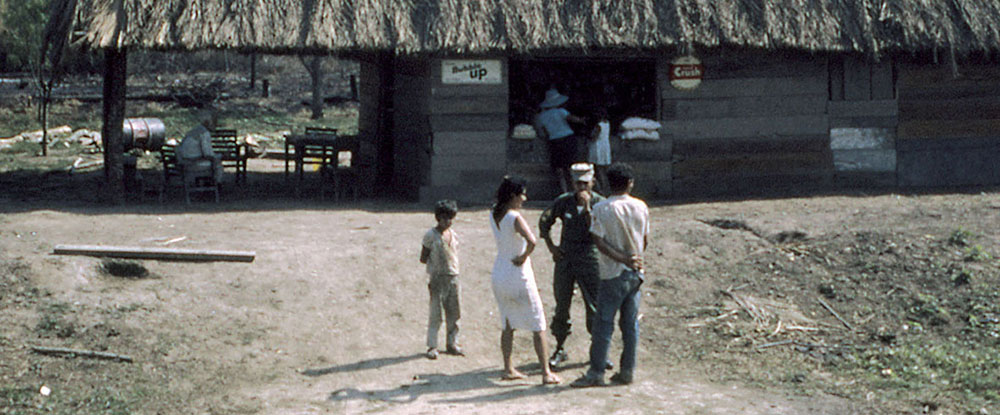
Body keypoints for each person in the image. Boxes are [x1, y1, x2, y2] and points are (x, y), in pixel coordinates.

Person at [571, 162, 649, 388]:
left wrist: (621, 258)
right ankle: (627, 371)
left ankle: (596, 372)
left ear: (606, 183)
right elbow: (644, 239)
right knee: (630, 324)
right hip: (635, 272)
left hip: (612, 272)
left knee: (603, 323)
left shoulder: (602, 208)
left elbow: (599, 241)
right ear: (630, 184)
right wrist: (633, 258)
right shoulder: (641, 207)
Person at [489, 176, 560, 385]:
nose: (525, 198)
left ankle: (508, 367)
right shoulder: (514, 217)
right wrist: (523, 256)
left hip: (499, 272)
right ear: (513, 196)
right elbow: (532, 240)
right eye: (522, 194)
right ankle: (546, 372)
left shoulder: (494, 213)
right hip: (518, 274)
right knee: (538, 323)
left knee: (508, 323)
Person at [538, 163, 605, 368]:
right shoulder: (564, 202)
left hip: (589, 255)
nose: (581, 188)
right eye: (577, 183)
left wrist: (586, 209)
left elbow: (598, 229)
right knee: (562, 302)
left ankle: (598, 349)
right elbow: (545, 221)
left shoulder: (600, 204)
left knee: (594, 304)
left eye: (585, 183)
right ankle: (559, 347)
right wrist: (552, 246)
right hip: (566, 256)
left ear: (593, 182)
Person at [419, 199, 463, 360]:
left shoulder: (454, 235)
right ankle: (432, 346)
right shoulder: (430, 235)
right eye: (444, 218)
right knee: (436, 314)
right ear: (437, 217)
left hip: (453, 277)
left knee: (454, 313)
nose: (448, 221)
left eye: (450, 218)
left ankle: (452, 343)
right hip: (437, 279)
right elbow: (423, 257)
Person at [534, 88, 586, 194]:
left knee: (560, 170)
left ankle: (564, 191)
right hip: (567, 139)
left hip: (554, 141)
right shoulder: (561, 112)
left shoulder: (542, 116)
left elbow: (543, 132)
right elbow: (573, 119)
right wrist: (582, 120)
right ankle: (575, 190)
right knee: (570, 168)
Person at [177, 108, 222, 183]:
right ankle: (216, 184)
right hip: (194, 163)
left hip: (184, 161)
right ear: (208, 122)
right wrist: (219, 156)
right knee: (218, 165)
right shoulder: (204, 133)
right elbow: (207, 153)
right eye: (214, 122)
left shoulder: (194, 130)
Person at [587, 109, 612, 194]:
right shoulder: (607, 123)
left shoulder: (599, 125)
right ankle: (606, 189)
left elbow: (594, 137)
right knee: (604, 169)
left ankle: (602, 189)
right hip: (605, 146)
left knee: (598, 169)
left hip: (598, 147)